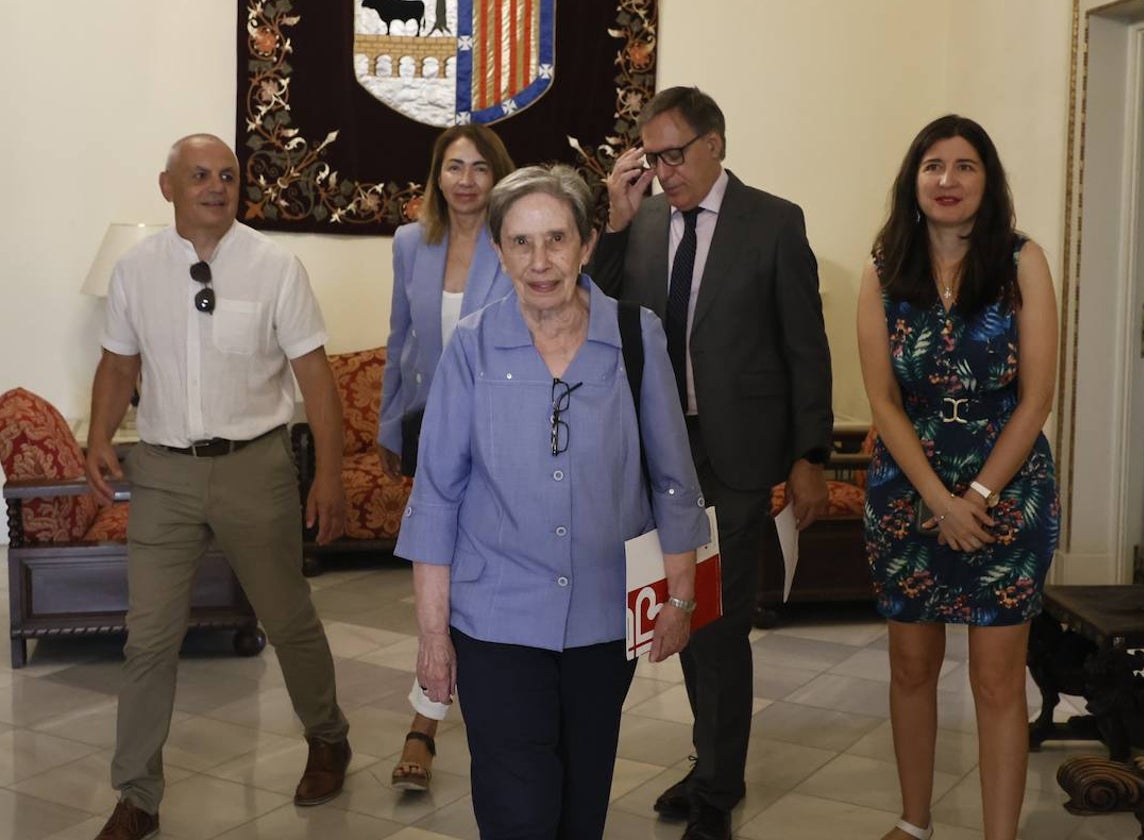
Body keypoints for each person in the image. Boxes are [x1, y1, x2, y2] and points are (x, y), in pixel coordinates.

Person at [397, 164, 711, 840]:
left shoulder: (636, 337)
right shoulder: (473, 347)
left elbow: (673, 479)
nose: (540, 262)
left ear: (588, 243)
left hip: (603, 621)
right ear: (500, 250)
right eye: (520, 243)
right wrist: (432, 636)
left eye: (557, 239)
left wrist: (681, 598)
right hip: (495, 620)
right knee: (519, 807)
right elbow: (437, 497)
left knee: (582, 799)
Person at [84, 134, 351, 840]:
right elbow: (117, 365)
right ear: (167, 186)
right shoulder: (135, 271)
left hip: (255, 466)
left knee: (288, 617)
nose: (215, 185)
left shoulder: (274, 265)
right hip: (165, 473)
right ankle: (136, 795)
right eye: (199, 174)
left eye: (227, 175)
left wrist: (328, 474)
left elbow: (316, 379)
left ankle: (327, 736)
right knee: (147, 640)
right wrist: (97, 438)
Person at [590, 85, 833, 840]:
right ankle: (708, 761)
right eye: (652, 157)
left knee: (719, 627)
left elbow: (805, 348)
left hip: (738, 455)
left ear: (715, 144)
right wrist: (617, 227)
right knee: (677, 617)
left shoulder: (775, 222)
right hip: (661, 455)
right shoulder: (647, 221)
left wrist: (809, 455)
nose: (665, 171)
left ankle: (718, 792)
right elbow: (595, 311)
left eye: (675, 154)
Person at [856, 115, 1060, 840]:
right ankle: (915, 823)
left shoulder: (1022, 261)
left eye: (965, 165)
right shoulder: (883, 270)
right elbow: (882, 399)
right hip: (909, 492)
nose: (948, 180)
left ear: (988, 180)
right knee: (911, 668)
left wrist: (974, 496)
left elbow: (1036, 397)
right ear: (913, 181)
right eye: (933, 165)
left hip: (1007, 491)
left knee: (997, 681)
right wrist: (937, 500)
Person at [377, 124, 515, 793]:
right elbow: (400, 338)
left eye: (479, 167)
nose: (465, 180)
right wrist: (387, 425)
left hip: (501, 436)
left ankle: (437, 719)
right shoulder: (411, 243)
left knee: (473, 584)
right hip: (432, 433)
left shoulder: (517, 242)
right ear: (437, 177)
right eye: (453, 167)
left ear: (498, 177)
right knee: (438, 584)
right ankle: (426, 721)